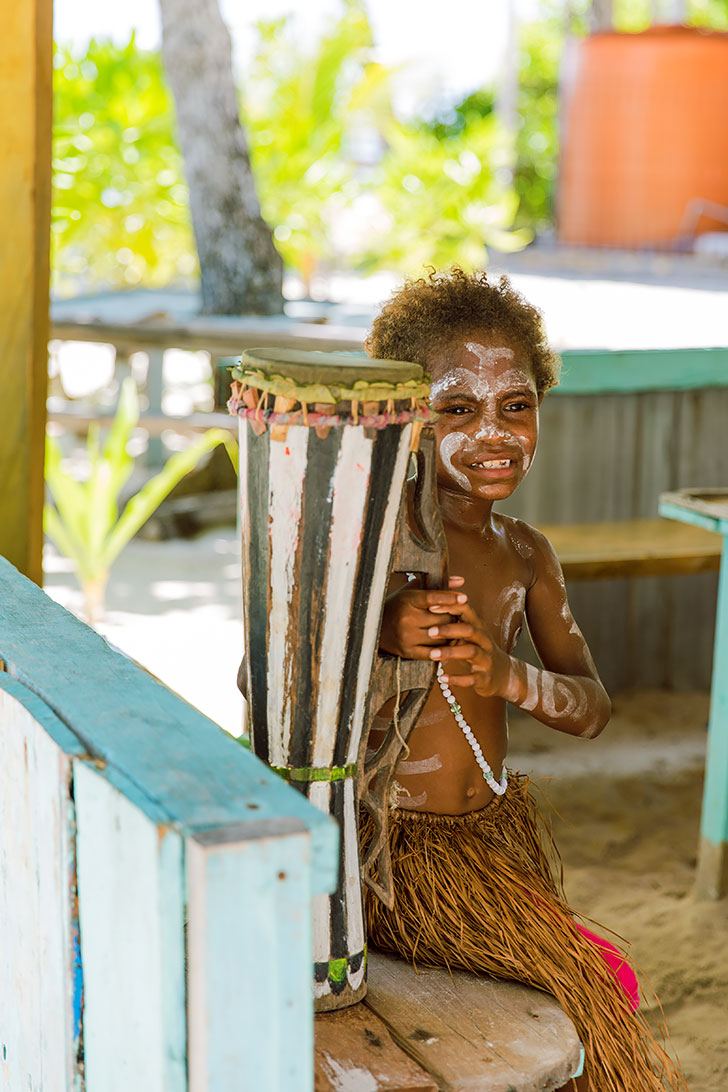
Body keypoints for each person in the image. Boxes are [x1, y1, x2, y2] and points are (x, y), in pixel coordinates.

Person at [361, 268, 685, 1091]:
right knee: (576, 995)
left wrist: (511, 677)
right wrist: (386, 632)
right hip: (393, 862)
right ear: (410, 416)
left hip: (491, 841)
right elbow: (275, 674)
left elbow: (593, 709)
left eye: (516, 405)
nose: (493, 432)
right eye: (457, 408)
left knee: (601, 985)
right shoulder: (371, 544)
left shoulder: (526, 555)